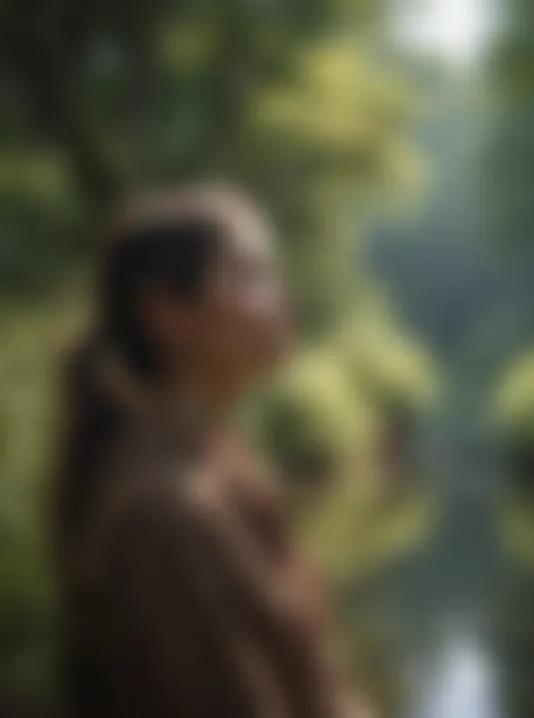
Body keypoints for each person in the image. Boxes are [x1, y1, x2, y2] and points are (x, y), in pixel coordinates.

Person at [51, 185, 372, 718]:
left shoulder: (221, 464)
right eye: (250, 276)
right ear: (167, 314)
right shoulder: (166, 511)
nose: (284, 298)